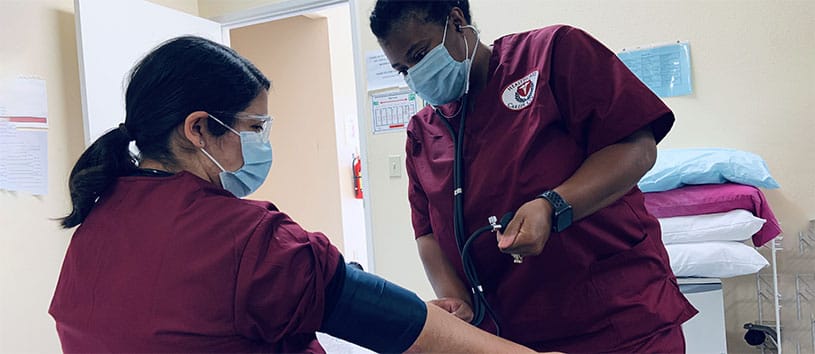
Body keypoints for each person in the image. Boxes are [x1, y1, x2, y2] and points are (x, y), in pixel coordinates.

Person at [48, 36, 545, 354]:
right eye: (255, 126)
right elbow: (388, 322)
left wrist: (410, 313)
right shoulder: (247, 241)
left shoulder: (95, 222)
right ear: (199, 129)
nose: (263, 142)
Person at [369, 0, 698, 352]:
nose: (416, 75)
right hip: (512, 340)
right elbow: (428, 233)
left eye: (420, 55)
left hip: (617, 323)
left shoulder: (553, 55)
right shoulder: (423, 133)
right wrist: (458, 303)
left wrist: (552, 205)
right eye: (404, 70)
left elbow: (637, 148)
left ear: (456, 20)